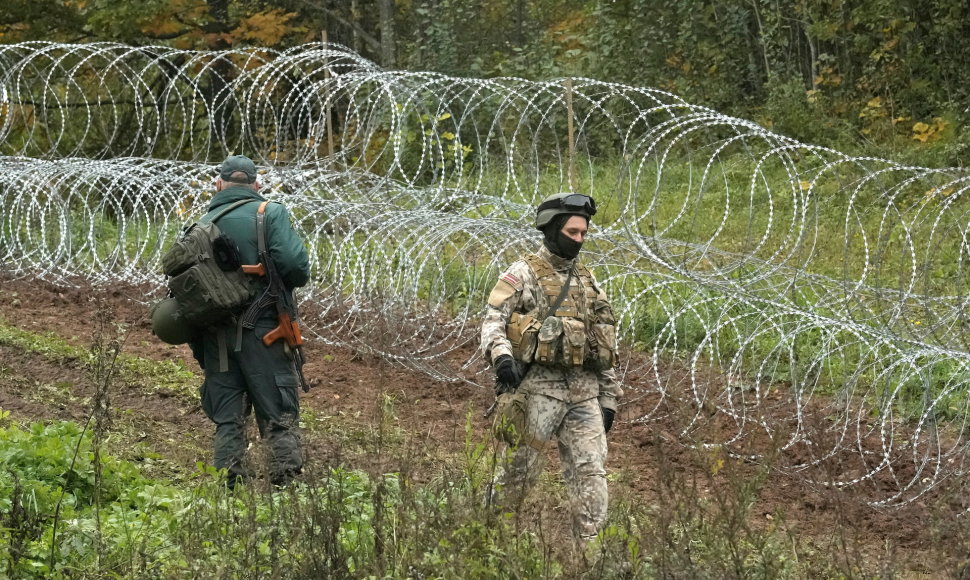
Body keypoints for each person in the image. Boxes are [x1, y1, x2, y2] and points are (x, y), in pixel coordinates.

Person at [481, 192, 622, 543]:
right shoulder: (523, 274)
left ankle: (586, 555)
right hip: (537, 393)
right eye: (573, 232)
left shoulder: (588, 280)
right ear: (553, 228)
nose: (579, 239)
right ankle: (492, 544)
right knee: (516, 474)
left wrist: (609, 398)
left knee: (592, 476)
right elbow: (493, 321)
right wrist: (502, 357)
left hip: (583, 396)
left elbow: (603, 342)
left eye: (584, 234)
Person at [190, 154, 311, 489]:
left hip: (216, 338)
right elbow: (298, 269)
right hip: (267, 333)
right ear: (256, 184)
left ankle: (230, 494)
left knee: (228, 419)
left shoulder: (200, 224)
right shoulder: (269, 213)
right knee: (278, 414)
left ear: (219, 184)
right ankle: (285, 492)